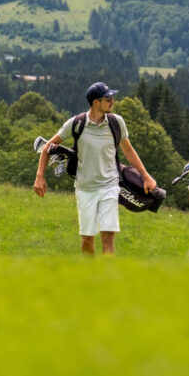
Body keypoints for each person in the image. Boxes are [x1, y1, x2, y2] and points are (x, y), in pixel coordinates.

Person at [34, 82, 156, 256]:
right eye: (108, 99)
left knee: (108, 236)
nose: (112, 102)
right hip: (85, 189)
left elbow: (129, 150)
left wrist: (146, 176)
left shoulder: (116, 122)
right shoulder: (76, 123)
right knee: (87, 239)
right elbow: (47, 148)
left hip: (110, 186)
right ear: (96, 102)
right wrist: (40, 176)